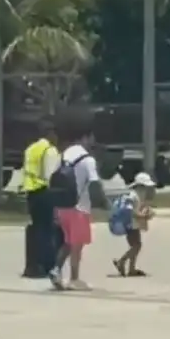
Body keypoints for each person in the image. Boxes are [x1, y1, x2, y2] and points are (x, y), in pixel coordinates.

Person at [49, 110, 109, 290]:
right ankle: (74, 278)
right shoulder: (88, 159)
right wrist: (105, 204)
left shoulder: (66, 154)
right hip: (79, 207)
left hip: (62, 205)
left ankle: (56, 270)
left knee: (68, 242)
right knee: (77, 245)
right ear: (86, 137)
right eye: (91, 138)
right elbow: (94, 184)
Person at [20, 120, 62, 278]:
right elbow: (50, 176)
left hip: (31, 192)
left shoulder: (30, 149)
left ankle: (35, 264)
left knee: (37, 229)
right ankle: (47, 264)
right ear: (50, 133)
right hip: (45, 192)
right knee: (47, 230)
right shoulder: (49, 150)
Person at [113, 172, 157, 277]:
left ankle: (131, 268)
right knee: (137, 245)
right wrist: (142, 216)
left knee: (134, 245)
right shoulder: (133, 195)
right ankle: (121, 261)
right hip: (130, 224)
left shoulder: (138, 196)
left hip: (134, 224)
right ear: (140, 186)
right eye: (146, 187)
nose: (147, 190)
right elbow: (130, 209)